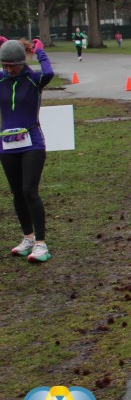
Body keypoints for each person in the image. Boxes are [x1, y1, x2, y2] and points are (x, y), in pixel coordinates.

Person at [1, 38, 54, 263]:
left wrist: (40, 51)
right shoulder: (1, 79)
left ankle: (41, 244)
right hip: (7, 144)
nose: (9, 70)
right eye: (4, 65)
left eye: (12, 65)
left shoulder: (34, 79)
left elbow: (49, 72)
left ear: (22, 62)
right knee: (17, 193)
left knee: (29, 190)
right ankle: (28, 238)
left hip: (32, 142)